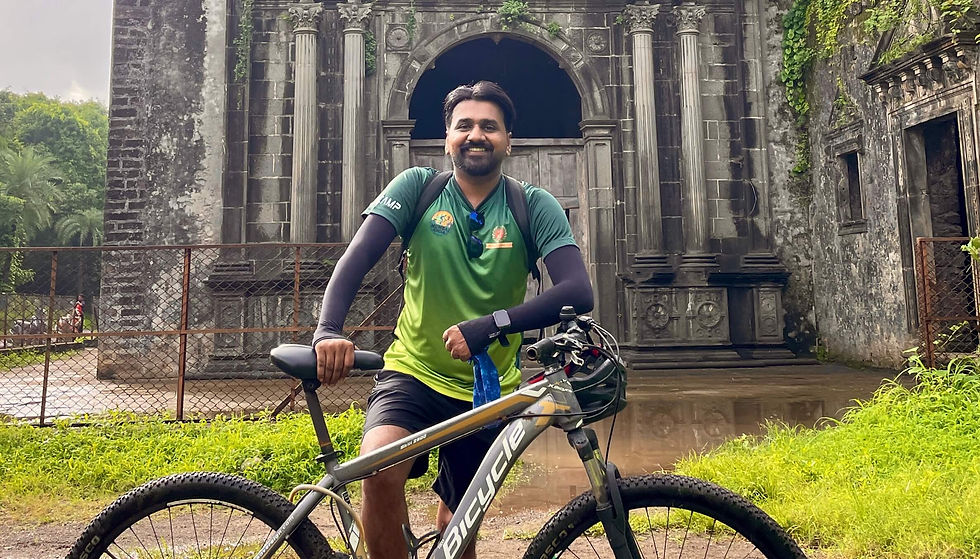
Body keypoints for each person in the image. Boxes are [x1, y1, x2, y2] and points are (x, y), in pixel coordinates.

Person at [312, 80, 593, 559]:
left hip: (487, 389)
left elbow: (577, 290)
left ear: (509, 140)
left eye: (489, 126)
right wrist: (327, 330)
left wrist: (492, 324)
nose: (476, 134)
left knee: (460, 522)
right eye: (464, 125)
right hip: (412, 372)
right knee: (377, 475)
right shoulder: (418, 188)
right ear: (447, 138)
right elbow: (356, 259)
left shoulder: (533, 205)